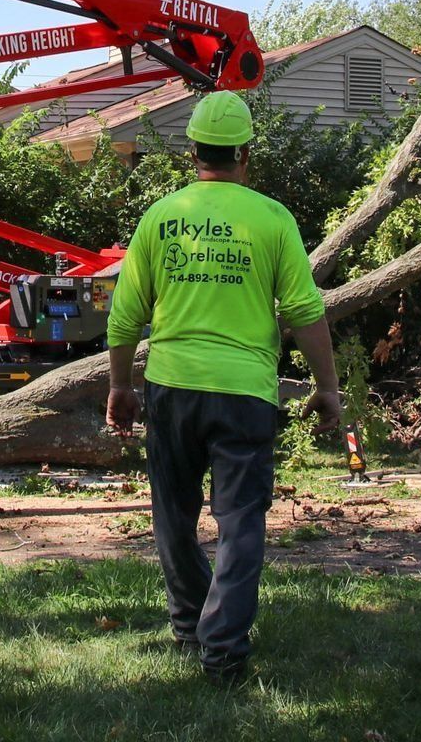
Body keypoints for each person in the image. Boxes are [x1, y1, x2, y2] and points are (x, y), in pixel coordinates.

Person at [105, 90, 342, 687]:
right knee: (240, 523)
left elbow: (124, 316)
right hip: (245, 394)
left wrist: (120, 384)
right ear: (244, 154)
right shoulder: (271, 218)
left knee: (172, 516)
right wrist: (327, 388)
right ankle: (223, 648)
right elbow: (306, 312)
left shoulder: (161, 216)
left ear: (192, 153)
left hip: (173, 387)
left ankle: (190, 623)